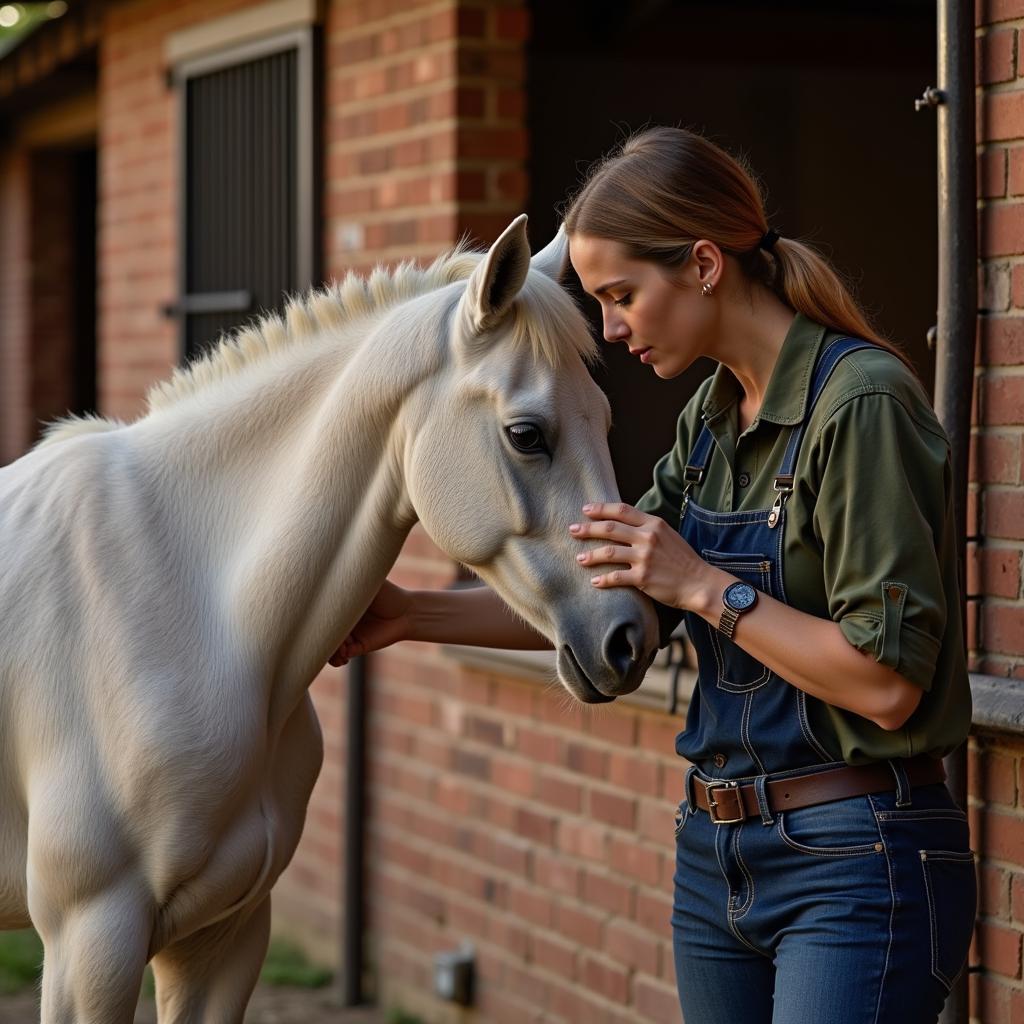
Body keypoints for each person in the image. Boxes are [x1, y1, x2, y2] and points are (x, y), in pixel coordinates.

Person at [330, 126, 976, 1024]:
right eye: (599, 301)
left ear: (705, 264)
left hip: (858, 860)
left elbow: (888, 686)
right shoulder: (708, 421)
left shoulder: (860, 404)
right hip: (715, 858)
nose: (610, 328)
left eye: (622, 295)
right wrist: (410, 613)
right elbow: (615, 587)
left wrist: (707, 587)